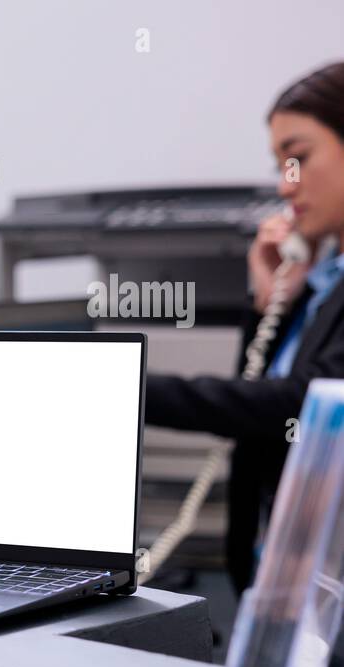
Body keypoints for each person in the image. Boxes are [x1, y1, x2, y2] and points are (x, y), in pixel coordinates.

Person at [146, 62, 344, 595]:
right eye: (280, 164)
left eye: (299, 158)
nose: (286, 185)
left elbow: (301, 402)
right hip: (279, 576)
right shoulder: (319, 285)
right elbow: (258, 404)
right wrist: (268, 302)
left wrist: (132, 390)